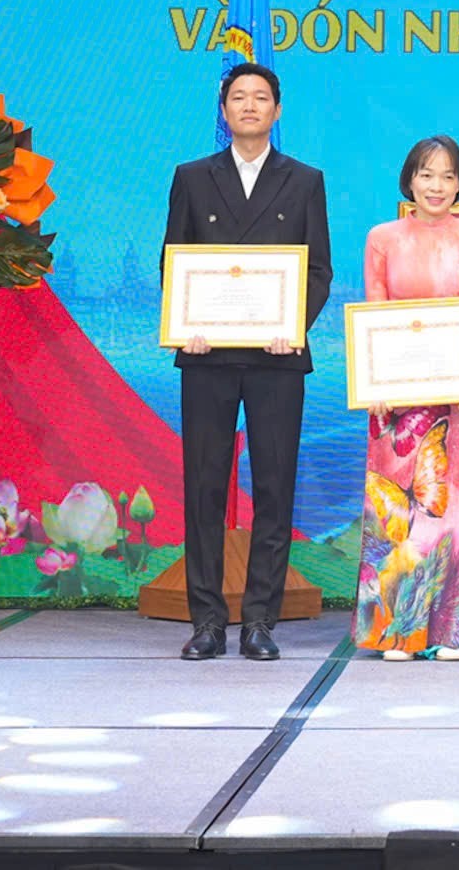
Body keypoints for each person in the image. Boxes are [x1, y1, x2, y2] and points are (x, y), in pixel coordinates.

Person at [162, 62, 332, 661]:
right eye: (239, 97)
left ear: (277, 110)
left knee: (274, 486)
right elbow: (174, 259)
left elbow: (318, 270)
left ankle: (260, 619)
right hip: (207, 357)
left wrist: (293, 326)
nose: (250, 106)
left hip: (276, 358)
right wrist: (185, 324)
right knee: (204, 487)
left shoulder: (304, 180)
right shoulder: (192, 177)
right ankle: (207, 620)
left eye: (261, 97)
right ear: (224, 109)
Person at [353, 135, 459, 661]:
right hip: (395, 400)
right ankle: (397, 632)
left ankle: (447, 634)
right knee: (400, 515)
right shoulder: (382, 238)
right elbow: (374, 314)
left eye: (447, 176)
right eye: (426, 174)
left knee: (452, 513)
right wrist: (376, 386)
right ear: (409, 180)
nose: (436, 186)